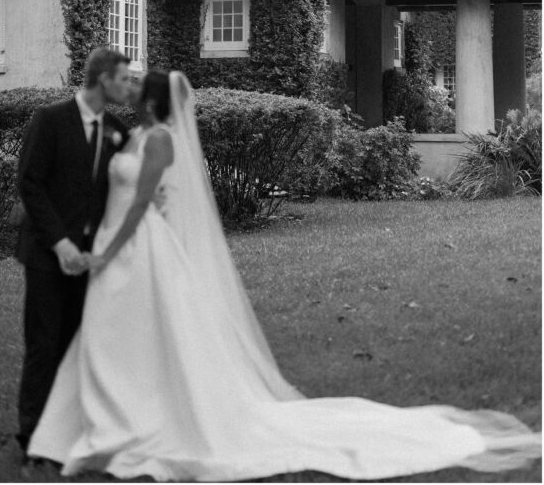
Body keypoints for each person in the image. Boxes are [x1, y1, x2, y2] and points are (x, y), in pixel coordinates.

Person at [29, 69, 541, 481]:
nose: (133, 87)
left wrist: (105, 250)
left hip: (136, 249)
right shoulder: (129, 133)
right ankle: (95, 420)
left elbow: (142, 203)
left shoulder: (159, 138)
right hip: (115, 245)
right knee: (114, 334)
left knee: (138, 331)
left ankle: (136, 418)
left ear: (156, 99)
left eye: (142, 85)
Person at [15, 46, 131, 460]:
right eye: (124, 78)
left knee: (74, 343)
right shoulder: (50, 120)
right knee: (43, 344)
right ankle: (32, 438)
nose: (128, 85)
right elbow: (30, 184)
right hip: (48, 252)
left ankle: (66, 430)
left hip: (89, 257)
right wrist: (61, 243)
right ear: (103, 79)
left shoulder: (118, 130)